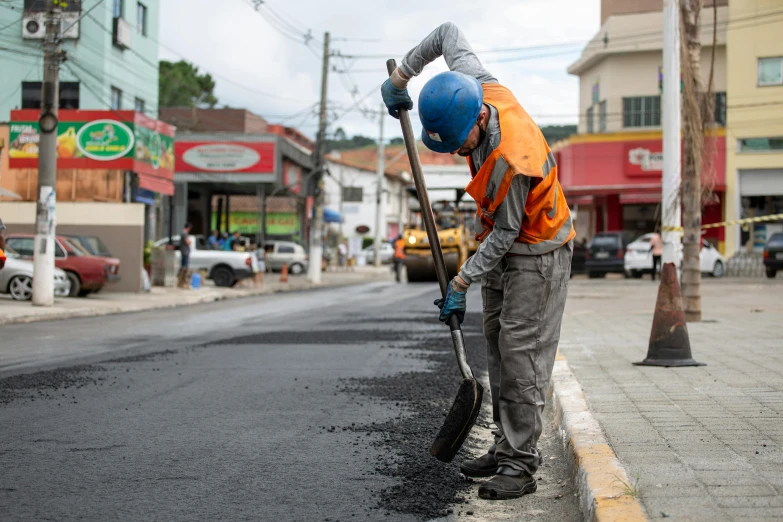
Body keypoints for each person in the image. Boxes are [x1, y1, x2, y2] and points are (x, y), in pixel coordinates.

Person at [382, 23, 575, 501]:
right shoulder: (473, 83)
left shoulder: (512, 157)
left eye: (460, 145)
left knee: (520, 357)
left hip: (538, 250)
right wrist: (403, 77)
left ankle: (520, 466)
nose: (459, 153)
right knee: (495, 344)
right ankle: (503, 444)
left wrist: (462, 282)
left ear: (477, 121)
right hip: (502, 243)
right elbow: (447, 33)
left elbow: (509, 233)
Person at [177, 223, 193, 289]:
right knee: (184, 268)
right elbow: (188, 242)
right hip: (185, 252)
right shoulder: (184, 233)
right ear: (188, 228)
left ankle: (181, 282)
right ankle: (182, 282)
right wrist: (189, 241)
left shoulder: (183, 233)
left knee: (184, 267)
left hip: (185, 252)